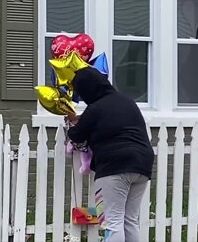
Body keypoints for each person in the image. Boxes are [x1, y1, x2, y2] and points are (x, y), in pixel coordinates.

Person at [66, 67, 154, 242]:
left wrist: (73, 123)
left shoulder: (95, 109)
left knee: (112, 221)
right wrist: (82, 118)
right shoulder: (127, 101)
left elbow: (76, 135)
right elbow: (111, 121)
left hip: (115, 165)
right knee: (130, 220)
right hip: (142, 163)